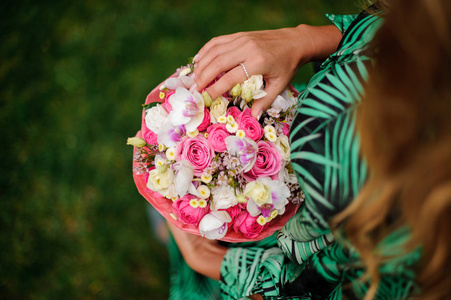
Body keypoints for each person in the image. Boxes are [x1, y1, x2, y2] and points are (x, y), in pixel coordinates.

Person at [169, 0, 451, 298]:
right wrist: (307, 39)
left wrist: (209, 260)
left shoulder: (415, 212)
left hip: (274, 255)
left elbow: (320, 287)